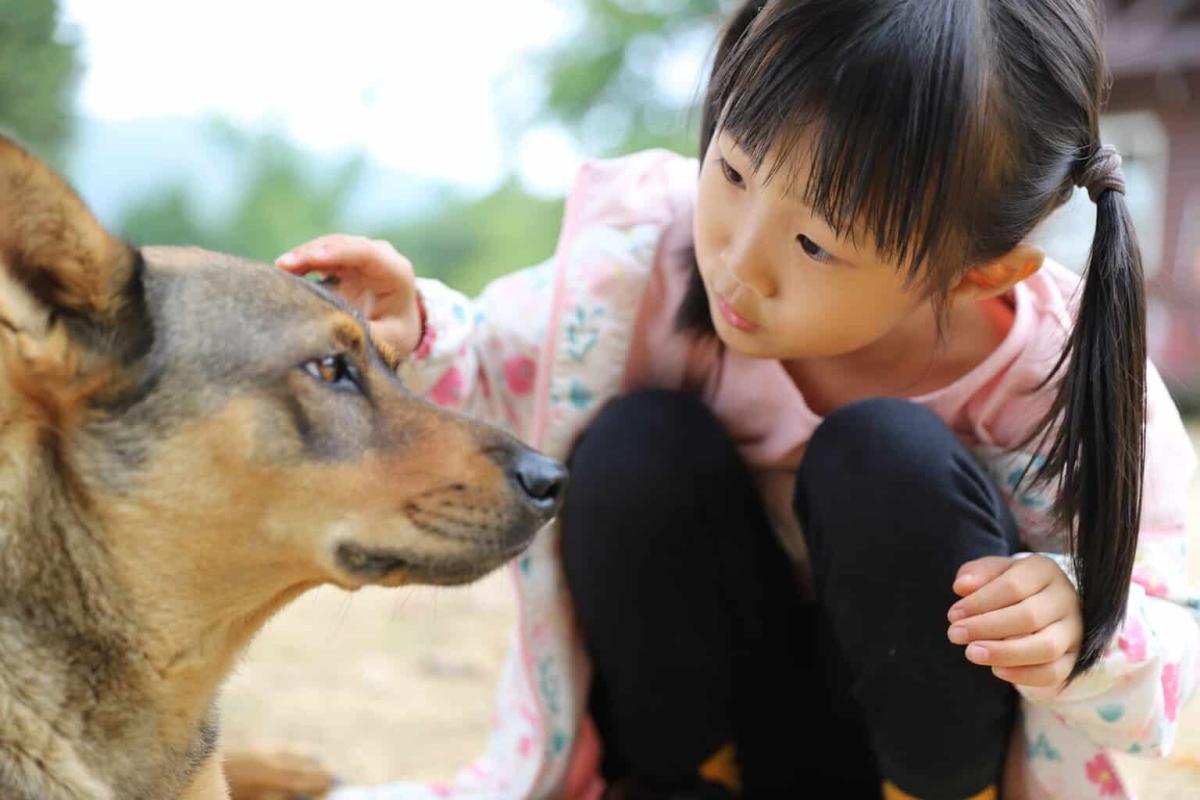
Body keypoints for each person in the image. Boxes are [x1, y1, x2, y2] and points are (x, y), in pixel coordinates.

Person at [277, 1, 1199, 797]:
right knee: (638, 446)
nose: (738, 262)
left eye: (816, 245)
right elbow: (498, 358)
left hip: (918, 757)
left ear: (977, 273)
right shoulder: (646, 263)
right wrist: (415, 326)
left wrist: (1077, 616)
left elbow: (1173, 633)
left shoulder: (1061, 375)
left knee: (885, 458)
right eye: (732, 173)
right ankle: (686, 785)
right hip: (711, 726)